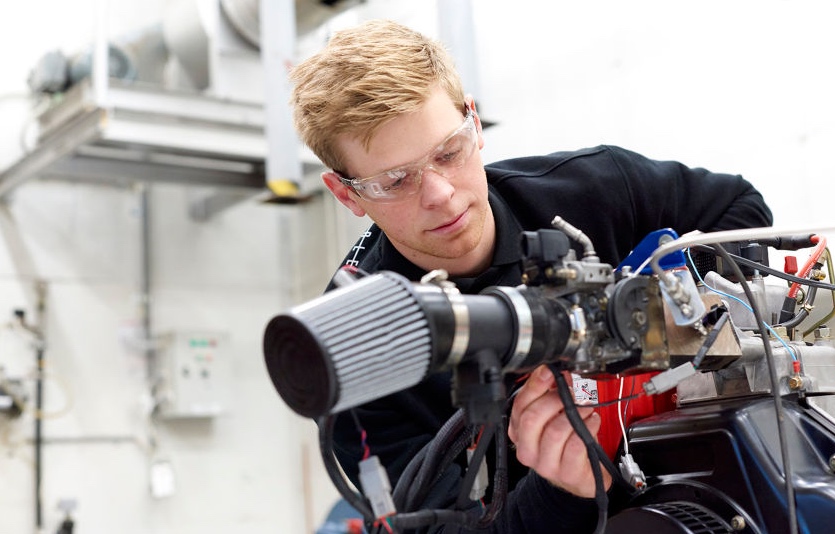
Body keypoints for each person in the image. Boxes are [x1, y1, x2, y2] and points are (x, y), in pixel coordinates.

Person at [288, 19, 773, 533]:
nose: (440, 194)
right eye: (395, 181)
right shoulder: (356, 351)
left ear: (472, 121)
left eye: (449, 153)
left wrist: (658, 321)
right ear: (347, 195)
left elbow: (742, 209)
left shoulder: (595, 189)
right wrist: (561, 489)